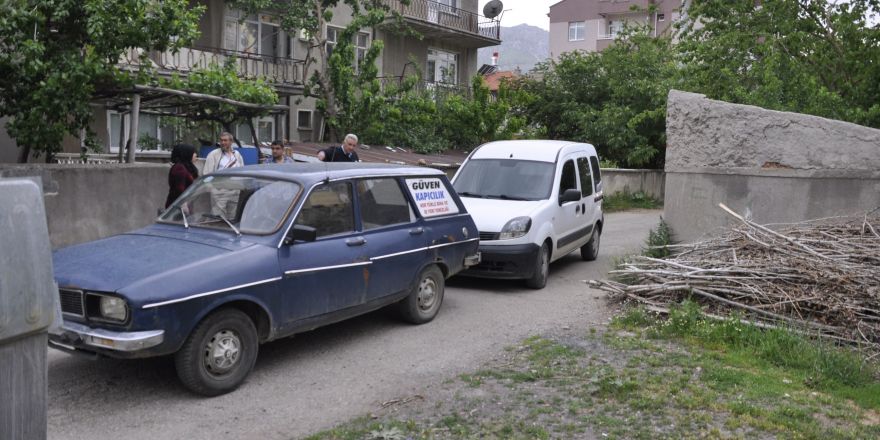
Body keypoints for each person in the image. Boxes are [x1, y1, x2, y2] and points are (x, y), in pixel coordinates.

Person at [165, 144, 199, 208]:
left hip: (185, 204)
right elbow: (179, 189)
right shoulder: (179, 168)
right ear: (186, 154)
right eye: (193, 152)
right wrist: (183, 204)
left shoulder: (187, 167)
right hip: (178, 207)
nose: (195, 155)